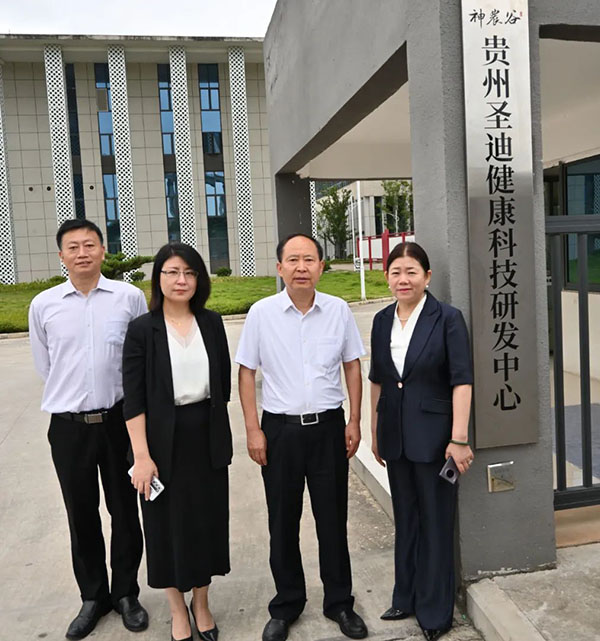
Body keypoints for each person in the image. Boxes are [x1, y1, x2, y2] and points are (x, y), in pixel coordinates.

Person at [236, 233, 368, 641]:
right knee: (283, 521)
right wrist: (253, 429)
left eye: (309, 259)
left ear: (321, 267)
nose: (301, 267)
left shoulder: (338, 310)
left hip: (329, 428)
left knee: (333, 520)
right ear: (279, 268)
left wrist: (354, 420)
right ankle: (286, 604)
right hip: (280, 432)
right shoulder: (261, 313)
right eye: (292, 260)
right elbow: (246, 372)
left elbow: (352, 365)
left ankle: (339, 603)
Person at [28, 219, 149, 640]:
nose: (82, 253)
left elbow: (141, 359)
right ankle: (93, 597)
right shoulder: (44, 305)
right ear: (61, 255)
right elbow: (46, 366)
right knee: (81, 514)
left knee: (125, 511)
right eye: (73, 247)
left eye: (90, 245)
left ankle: (126, 593)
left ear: (103, 250)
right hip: (69, 427)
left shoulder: (129, 298)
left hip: (120, 422)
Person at [122, 242, 232, 641]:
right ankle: (176, 609)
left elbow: (222, 383)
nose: (181, 280)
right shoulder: (142, 330)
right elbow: (133, 399)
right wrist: (141, 455)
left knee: (206, 523)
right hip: (158, 443)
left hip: (206, 436)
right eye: (172, 272)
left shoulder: (212, 323)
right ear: (159, 279)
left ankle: (201, 603)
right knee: (163, 527)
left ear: (199, 279)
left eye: (189, 272)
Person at [369, 242, 474, 641]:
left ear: (427, 277)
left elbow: (461, 380)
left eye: (411, 271)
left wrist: (459, 438)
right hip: (395, 438)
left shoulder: (447, 318)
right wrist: (375, 431)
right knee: (407, 519)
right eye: (396, 272)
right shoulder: (381, 320)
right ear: (387, 278)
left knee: (435, 523)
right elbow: (379, 379)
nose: (403, 279)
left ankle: (435, 611)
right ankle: (406, 596)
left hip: (435, 441)